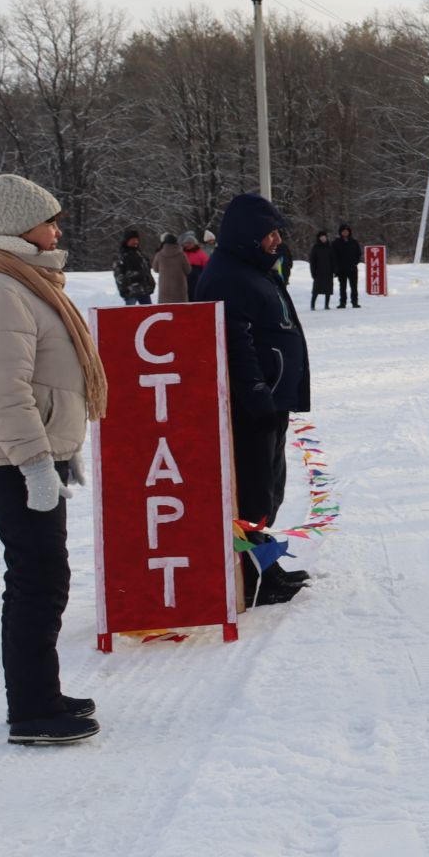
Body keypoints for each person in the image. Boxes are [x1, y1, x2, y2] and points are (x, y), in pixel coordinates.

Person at [0, 174, 108, 745]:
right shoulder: (0, 292)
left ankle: (42, 693)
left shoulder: (25, 283)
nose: (56, 229)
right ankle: (32, 710)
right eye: (48, 221)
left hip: (29, 455)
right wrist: (37, 463)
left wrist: (60, 452)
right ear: (22, 228)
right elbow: (4, 393)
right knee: (37, 581)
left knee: (43, 577)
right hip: (11, 461)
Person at [195, 193, 312, 608]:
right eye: (270, 233)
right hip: (252, 407)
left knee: (266, 492)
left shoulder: (252, 270)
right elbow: (233, 349)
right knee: (252, 494)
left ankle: (266, 565)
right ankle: (252, 577)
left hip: (269, 401)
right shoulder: (229, 277)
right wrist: (259, 397)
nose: (277, 240)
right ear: (249, 235)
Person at [113, 229, 155, 305]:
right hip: (131, 292)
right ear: (127, 241)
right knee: (130, 315)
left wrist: (151, 283)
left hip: (144, 291)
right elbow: (119, 275)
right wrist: (124, 290)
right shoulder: (122, 256)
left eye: (137, 239)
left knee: (149, 314)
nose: (135, 242)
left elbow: (147, 271)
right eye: (133, 239)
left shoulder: (141, 255)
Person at [153, 232, 191, 304]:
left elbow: (155, 269)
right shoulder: (181, 255)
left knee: (166, 310)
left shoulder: (159, 255)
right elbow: (188, 270)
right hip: (179, 287)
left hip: (164, 288)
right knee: (181, 310)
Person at [331, 224, 363, 307]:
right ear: (341, 232)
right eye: (343, 231)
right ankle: (342, 302)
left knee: (354, 286)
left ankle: (354, 302)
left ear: (349, 232)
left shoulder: (354, 242)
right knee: (342, 287)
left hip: (352, 268)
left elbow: (358, 254)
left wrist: (355, 262)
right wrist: (336, 266)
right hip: (341, 268)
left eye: (347, 231)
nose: (345, 233)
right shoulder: (336, 243)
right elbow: (333, 256)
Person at [307, 230, 336, 310]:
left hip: (328, 271)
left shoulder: (329, 247)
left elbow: (333, 260)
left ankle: (326, 305)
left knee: (328, 290)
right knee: (316, 290)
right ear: (319, 238)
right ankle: (312, 305)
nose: (323, 239)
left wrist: (334, 270)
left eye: (324, 237)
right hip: (318, 272)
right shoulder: (315, 247)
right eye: (321, 237)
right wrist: (313, 272)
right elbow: (312, 261)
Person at [180, 231, 209, 299]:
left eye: (189, 243)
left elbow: (207, 267)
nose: (187, 245)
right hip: (184, 281)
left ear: (194, 244)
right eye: (186, 243)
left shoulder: (201, 254)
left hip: (196, 280)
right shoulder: (182, 253)